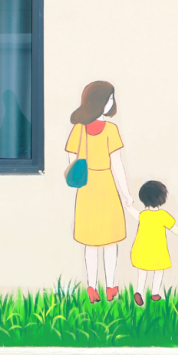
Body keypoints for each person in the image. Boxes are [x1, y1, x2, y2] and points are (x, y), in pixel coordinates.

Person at [66, 81, 134, 304]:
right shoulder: (111, 130)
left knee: (91, 244)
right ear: (99, 101)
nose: (111, 103)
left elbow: (71, 160)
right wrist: (126, 193)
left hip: (87, 189)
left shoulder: (78, 129)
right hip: (106, 186)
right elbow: (117, 165)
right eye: (109, 99)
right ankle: (111, 286)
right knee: (110, 242)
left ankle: (91, 287)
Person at [126, 180, 178, 306]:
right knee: (158, 271)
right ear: (162, 198)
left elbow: (134, 213)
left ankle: (139, 291)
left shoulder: (143, 215)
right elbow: (176, 230)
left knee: (142, 271)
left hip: (141, 249)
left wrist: (128, 206)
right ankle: (155, 293)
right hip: (157, 250)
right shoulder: (163, 215)